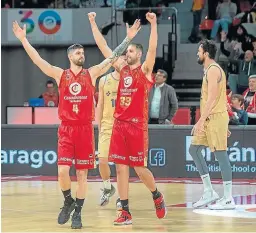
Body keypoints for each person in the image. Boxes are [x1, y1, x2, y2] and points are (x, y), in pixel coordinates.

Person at [12, 19, 141, 229]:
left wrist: (129, 38)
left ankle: (78, 212)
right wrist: (24, 40)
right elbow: (37, 60)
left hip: (84, 130)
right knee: (63, 171)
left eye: (83, 53)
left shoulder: (91, 74)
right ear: (70, 56)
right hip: (66, 129)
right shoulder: (60, 74)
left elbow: (112, 56)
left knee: (82, 174)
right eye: (78, 53)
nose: (82, 55)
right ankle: (68, 201)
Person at [88, 12, 167, 225]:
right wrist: (93, 23)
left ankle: (156, 195)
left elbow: (152, 48)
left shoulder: (145, 71)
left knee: (140, 170)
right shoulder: (121, 70)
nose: (127, 52)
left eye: (130, 50)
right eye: (127, 50)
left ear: (138, 55)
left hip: (137, 127)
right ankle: (125, 211)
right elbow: (105, 49)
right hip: (119, 126)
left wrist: (153, 25)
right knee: (121, 168)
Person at [190, 39, 235, 210]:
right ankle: (209, 191)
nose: (197, 54)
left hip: (214, 117)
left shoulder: (213, 70)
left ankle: (228, 197)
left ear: (206, 54)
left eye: (199, 51)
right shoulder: (209, 70)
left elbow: (213, 98)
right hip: (212, 118)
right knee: (193, 149)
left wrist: (200, 120)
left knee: (221, 155)